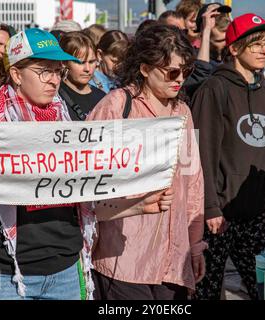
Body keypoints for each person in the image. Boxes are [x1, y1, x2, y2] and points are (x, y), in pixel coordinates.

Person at [0, 28, 85, 300]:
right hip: (0, 274)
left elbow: (87, 190)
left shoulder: (70, 123)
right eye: (43, 70)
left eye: (58, 71)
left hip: (64, 269)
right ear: (16, 74)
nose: (54, 80)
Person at [85, 24, 206, 300]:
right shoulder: (116, 106)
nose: (180, 80)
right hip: (125, 257)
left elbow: (194, 182)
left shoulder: (182, 111)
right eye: (172, 71)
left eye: (186, 71)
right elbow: (89, 180)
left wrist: (196, 245)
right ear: (144, 68)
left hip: (173, 259)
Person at [191, 13, 265, 300]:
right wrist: (210, 207)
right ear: (234, 48)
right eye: (255, 44)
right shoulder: (213, 89)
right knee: (207, 289)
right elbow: (202, 152)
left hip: (256, 213)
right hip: (220, 215)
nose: (264, 50)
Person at [58, 32, 106, 120]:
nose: (87, 69)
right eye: (80, 62)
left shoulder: (102, 97)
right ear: (64, 62)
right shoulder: (55, 97)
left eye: (91, 62)